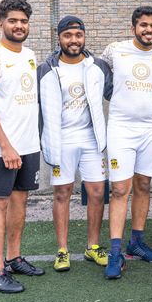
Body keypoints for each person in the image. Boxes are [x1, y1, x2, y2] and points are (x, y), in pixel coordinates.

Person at [0, 0, 44, 293]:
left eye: (23, 21)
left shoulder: (29, 54)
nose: (19, 25)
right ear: (0, 22)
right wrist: (5, 145)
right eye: (13, 20)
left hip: (28, 145)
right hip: (0, 148)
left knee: (20, 200)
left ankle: (14, 258)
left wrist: (27, 143)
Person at [37, 16, 113, 272]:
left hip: (91, 139)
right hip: (61, 140)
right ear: (58, 38)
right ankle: (62, 251)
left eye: (78, 35)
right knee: (62, 194)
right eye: (68, 36)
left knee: (98, 193)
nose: (73, 40)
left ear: (84, 37)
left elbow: (116, 93)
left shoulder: (98, 66)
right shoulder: (46, 69)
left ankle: (93, 247)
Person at [102, 6, 152, 279]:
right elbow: (90, 67)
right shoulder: (114, 50)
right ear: (133, 28)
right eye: (143, 25)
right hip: (120, 128)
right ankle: (115, 253)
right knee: (121, 189)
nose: (149, 30)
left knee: (143, 185)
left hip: (151, 129)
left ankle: (136, 243)